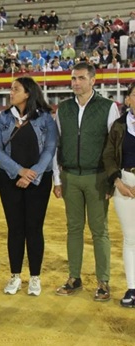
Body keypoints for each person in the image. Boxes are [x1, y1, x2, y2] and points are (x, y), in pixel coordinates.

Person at [53, 62, 120, 301]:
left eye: (80, 78)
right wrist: (56, 178)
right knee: (73, 229)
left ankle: (103, 282)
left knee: (99, 231)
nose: (76, 83)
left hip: (98, 177)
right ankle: (74, 278)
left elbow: (115, 147)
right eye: (73, 78)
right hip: (70, 177)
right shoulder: (63, 109)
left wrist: (113, 180)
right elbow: (56, 145)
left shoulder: (108, 107)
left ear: (92, 80)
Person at [0, 77, 57, 296]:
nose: (11, 92)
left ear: (28, 93)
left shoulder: (46, 118)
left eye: (15, 89)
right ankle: (15, 276)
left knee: (34, 229)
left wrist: (32, 174)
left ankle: (35, 278)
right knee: (15, 228)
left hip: (38, 180)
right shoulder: (3, 117)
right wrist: (20, 171)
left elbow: (50, 149)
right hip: (9, 179)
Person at [103, 83, 135, 307]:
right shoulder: (118, 125)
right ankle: (133, 288)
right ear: (129, 100)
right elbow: (108, 155)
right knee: (131, 239)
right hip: (124, 183)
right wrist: (116, 180)